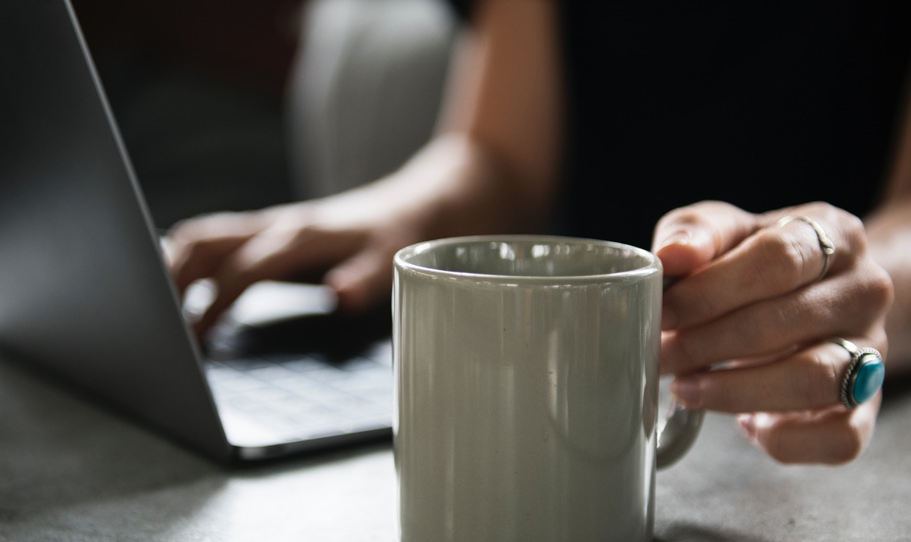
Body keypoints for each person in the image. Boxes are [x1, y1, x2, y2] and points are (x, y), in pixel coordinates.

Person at [166, 0, 911, 465]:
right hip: (580, 388)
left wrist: (847, 284)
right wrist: (390, 214)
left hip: (826, 420)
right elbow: (501, 156)